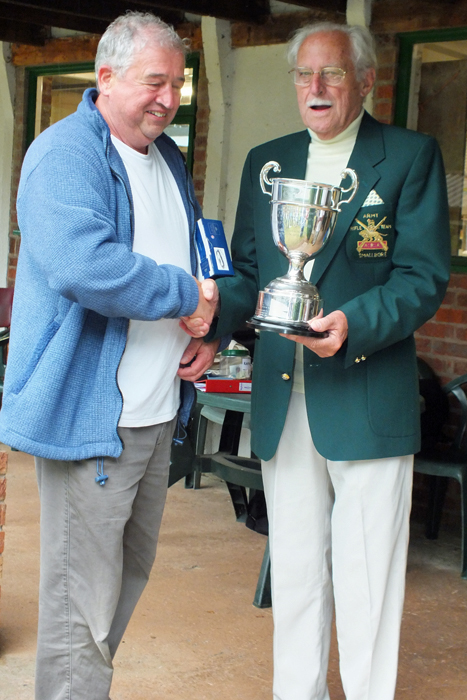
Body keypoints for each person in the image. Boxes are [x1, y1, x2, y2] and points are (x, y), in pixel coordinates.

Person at [183, 21, 451, 700]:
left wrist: (349, 324)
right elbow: (248, 271)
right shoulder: (267, 161)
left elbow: (421, 277)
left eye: (332, 73)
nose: (316, 87)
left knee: (366, 578)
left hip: (365, 396)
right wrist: (218, 323)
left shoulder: (409, 156)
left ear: (364, 80)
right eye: (304, 74)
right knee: (298, 572)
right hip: (283, 397)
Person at [0, 12, 220, 700]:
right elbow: (82, 265)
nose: (168, 97)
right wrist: (184, 292)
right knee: (79, 610)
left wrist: (206, 329)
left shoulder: (167, 159)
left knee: (120, 585)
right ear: (105, 76)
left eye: (178, 85)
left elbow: (194, 257)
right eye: (155, 81)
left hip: (153, 413)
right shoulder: (66, 153)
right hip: (93, 419)